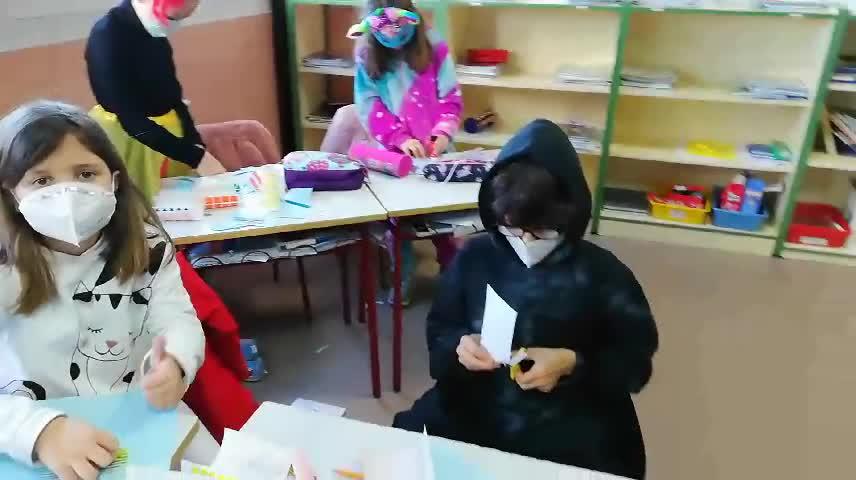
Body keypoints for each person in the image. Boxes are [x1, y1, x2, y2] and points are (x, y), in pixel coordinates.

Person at [392, 119, 659, 479]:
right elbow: (441, 328)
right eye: (513, 229)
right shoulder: (475, 258)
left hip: (573, 417)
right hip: (478, 406)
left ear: (571, 216)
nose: (527, 242)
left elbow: (634, 363)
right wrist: (459, 347)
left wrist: (573, 363)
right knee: (407, 449)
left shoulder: (605, 275)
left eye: (543, 233)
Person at [0, 101, 206, 480]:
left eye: (85, 174)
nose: (67, 193)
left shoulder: (147, 246)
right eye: (42, 181)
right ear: (11, 194)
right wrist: (41, 433)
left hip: (138, 425)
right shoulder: (5, 268)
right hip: (28, 444)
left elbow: (177, 319)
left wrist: (176, 362)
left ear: (114, 180)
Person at [85, 0, 282, 200]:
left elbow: (174, 96)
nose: (174, 25)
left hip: (167, 140)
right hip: (131, 139)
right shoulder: (107, 35)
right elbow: (130, 119)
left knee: (184, 201)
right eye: (172, 17)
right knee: (144, 207)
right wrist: (194, 156)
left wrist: (194, 142)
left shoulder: (152, 29)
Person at [343, 0, 463, 303]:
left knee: (442, 222)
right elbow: (368, 104)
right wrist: (398, 137)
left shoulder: (434, 46)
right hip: (393, 156)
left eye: (400, 28)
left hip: (436, 152)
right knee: (397, 225)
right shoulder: (366, 53)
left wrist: (442, 134)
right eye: (384, 30)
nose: (393, 36)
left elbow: (450, 98)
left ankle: (452, 276)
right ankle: (401, 281)